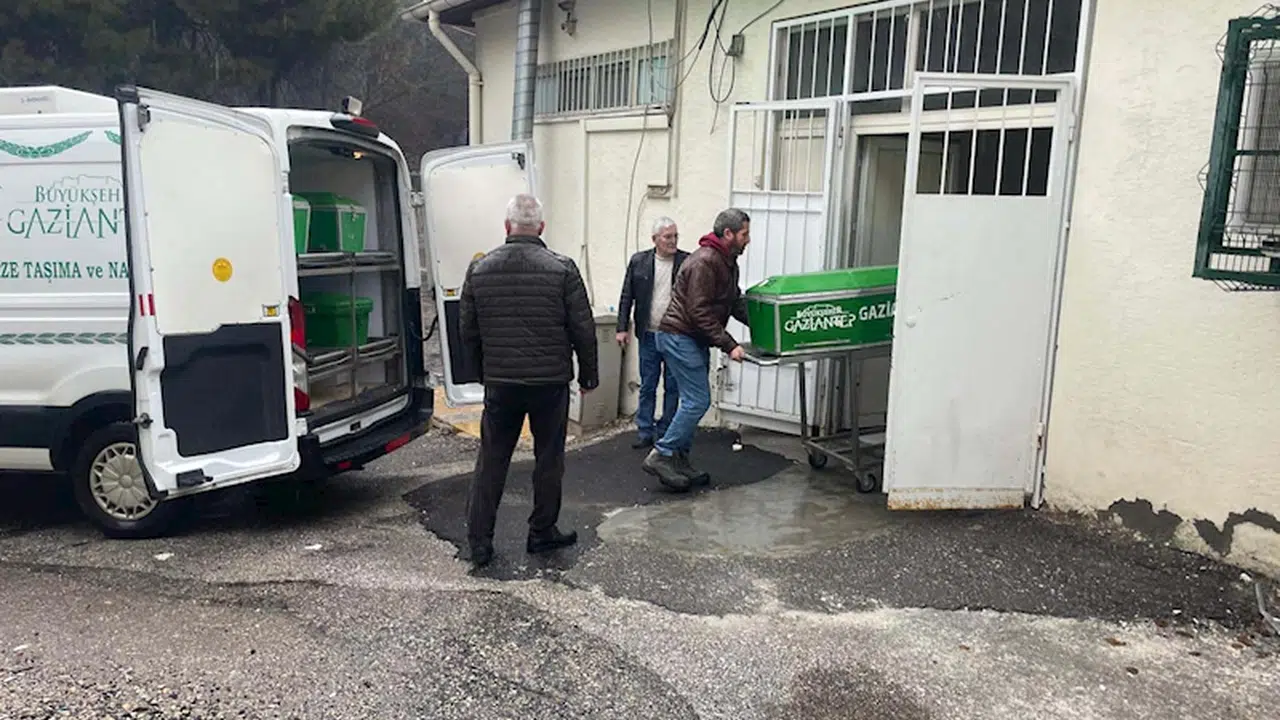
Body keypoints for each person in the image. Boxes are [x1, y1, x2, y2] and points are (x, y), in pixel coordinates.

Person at [459, 193, 599, 567]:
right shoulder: (563, 269)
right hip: (549, 383)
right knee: (548, 459)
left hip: (501, 383)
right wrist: (588, 375)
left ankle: (479, 541)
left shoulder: (480, 269)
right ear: (541, 227)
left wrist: (480, 374)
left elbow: (468, 330)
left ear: (507, 227)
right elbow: (583, 328)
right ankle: (541, 531)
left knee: (492, 459)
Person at [643, 208, 752, 491]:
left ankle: (679, 460)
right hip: (679, 336)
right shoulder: (705, 261)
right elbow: (698, 311)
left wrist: (766, 325)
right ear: (728, 234)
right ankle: (662, 454)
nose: (748, 240)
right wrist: (729, 345)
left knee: (691, 400)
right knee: (698, 401)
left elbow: (734, 302)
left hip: (690, 338)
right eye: (744, 234)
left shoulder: (727, 262)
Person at [615, 217, 690, 450]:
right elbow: (627, 296)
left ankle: (666, 431)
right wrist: (621, 328)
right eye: (667, 237)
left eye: (675, 236)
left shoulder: (686, 262)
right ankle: (645, 430)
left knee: (673, 385)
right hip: (648, 334)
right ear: (655, 239)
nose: (673, 241)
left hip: (675, 335)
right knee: (648, 384)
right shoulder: (639, 262)